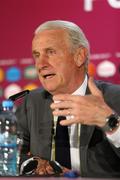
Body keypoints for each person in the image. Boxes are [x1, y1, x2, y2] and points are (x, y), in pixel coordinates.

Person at [16, 20, 120, 177]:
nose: (40, 64)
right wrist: (32, 164)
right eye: (37, 55)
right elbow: (9, 154)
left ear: (79, 56)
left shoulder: (114, 97)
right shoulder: (31, 102)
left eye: (51, 52)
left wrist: (110, 122)